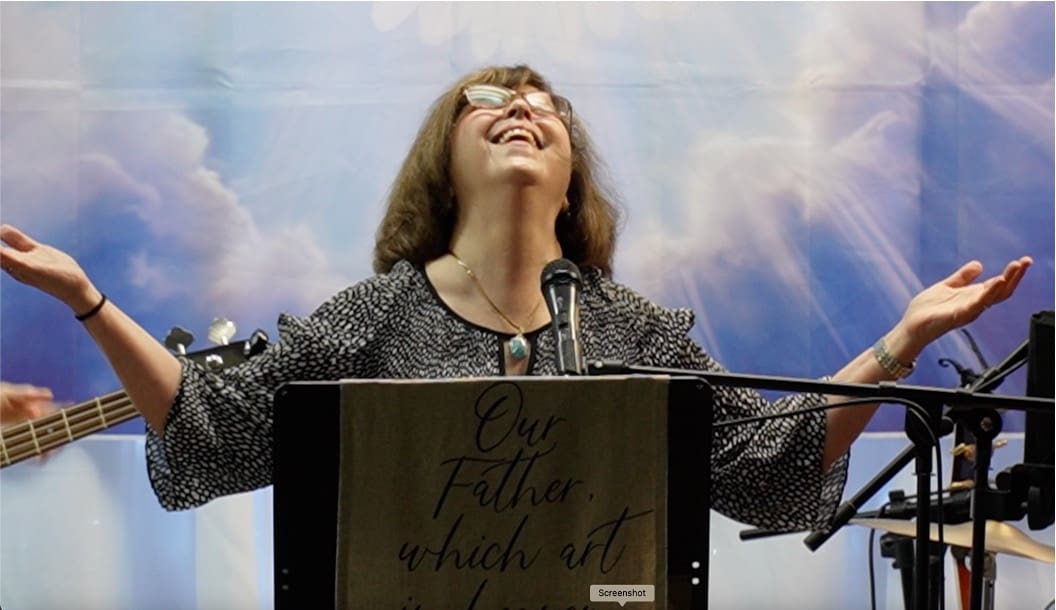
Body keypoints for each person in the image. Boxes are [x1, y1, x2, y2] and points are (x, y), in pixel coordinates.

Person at [0, 65, 1031, 530]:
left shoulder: (635, 329)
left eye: (547, 104)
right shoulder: (372, 316)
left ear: (573, 169)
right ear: (442, 161)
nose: (523, 107)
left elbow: (763, 467)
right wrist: (90, 300)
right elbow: (212, 436)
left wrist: (896, 343)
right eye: (490, 99)